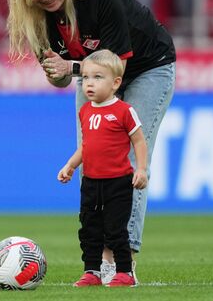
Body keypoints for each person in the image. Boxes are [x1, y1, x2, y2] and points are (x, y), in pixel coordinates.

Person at [6, 0, 176, 284]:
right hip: (92, 75)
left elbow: (116, 67)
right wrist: (57, 74)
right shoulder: (38, 19)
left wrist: (69, 67)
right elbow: (62, 78)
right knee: (93, 161)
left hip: (147, 67)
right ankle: (97, 258)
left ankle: (120, 259)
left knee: (125, 157)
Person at [57, 49, 148, 287]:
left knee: (115, 230)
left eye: (98, 77)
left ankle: (125, 272)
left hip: (117, 182)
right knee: (89, 229)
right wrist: (70, 165)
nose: (89, 83)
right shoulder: (85, 111)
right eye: (86, 77)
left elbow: (139, 140)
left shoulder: (124, 111)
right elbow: (86, 146)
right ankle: (92, 272)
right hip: (91, 181)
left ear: (115, 82)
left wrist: (141, 169)